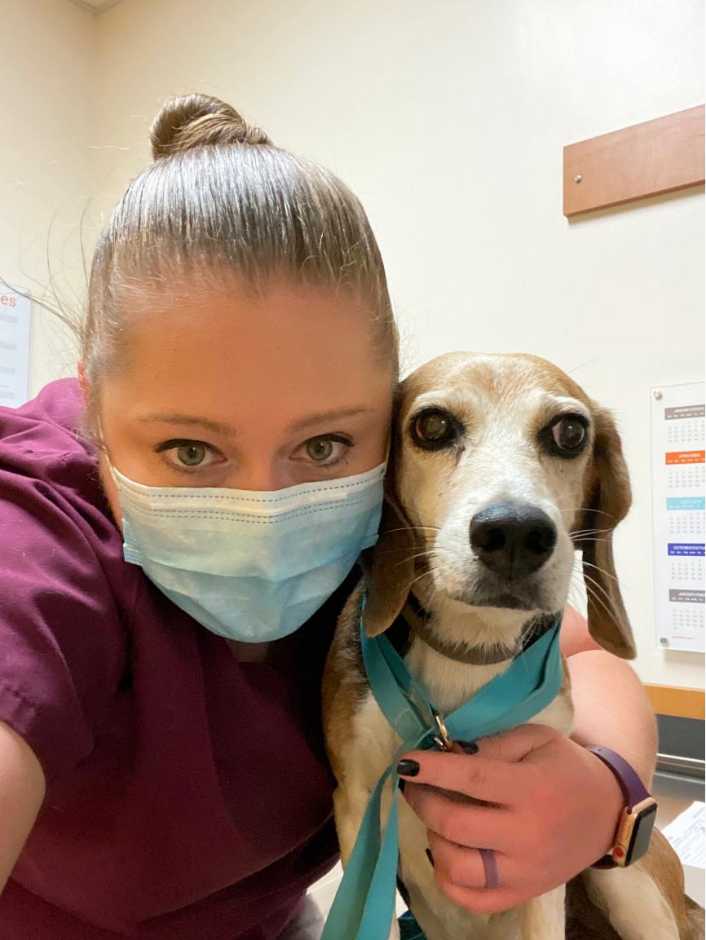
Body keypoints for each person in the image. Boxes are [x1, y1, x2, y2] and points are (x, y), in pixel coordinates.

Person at [0, 93, 657, 939]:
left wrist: (607, 788)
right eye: (190, 450)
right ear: (93, 407)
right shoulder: (37, 529)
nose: (266, 507)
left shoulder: (391, 508)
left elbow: (583, 653)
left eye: (321, 445)